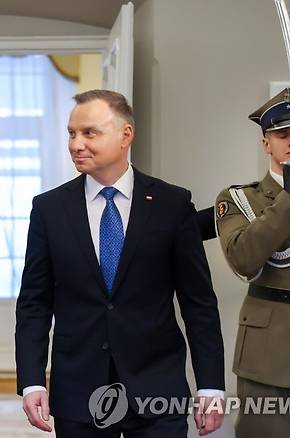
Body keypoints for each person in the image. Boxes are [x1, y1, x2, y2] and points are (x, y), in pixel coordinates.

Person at [15, 89, 225, 437]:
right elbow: (34, 303)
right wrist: (32, 381)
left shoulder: (172, 204)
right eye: (71, 133)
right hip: (79, 392)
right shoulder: (49, 209)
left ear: (125, 135)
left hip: (158, 392)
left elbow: (199, 303)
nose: (76, 144)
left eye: (89, 133)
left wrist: (211, 386)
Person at [215, 88, 290, 437]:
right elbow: (244, 258)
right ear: (266, 144)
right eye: (282, 133)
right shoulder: (239, 199)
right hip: (267, 358)